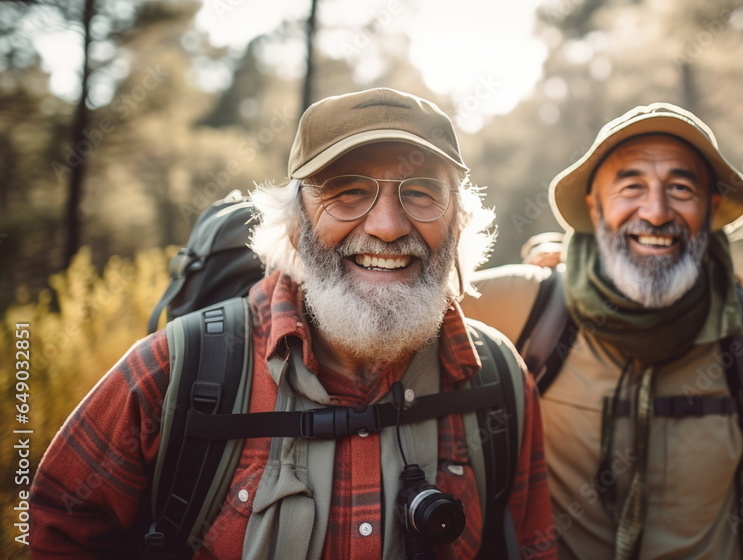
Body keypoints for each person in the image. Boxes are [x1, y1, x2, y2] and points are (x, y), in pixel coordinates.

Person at [30, 88, 554, 560]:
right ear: (295, 224)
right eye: (346, 191)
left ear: (458, 222)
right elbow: (61, 529)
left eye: (420, 192)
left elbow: (529, 546)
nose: (389, 227)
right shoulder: (171, 372)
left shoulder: (497, 380)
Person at [461, 103, 743, 559]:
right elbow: (403, 316)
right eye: (630, 186)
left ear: (711, 208)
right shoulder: (525, 306)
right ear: (594, 206)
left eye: (680, 188)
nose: (656, 213)